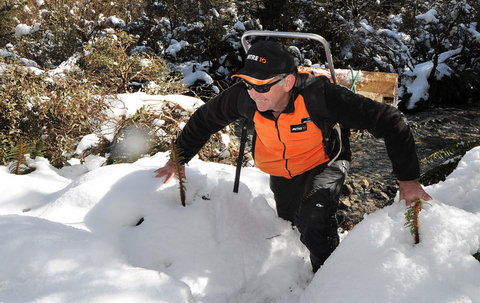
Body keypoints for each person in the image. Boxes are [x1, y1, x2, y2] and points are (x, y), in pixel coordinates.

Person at [155, 40, 431, 272]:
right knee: (291, 224)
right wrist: (177, 159)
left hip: (325, 160)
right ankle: (328, 229)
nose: (254, 93)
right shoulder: (243, 97)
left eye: (262, 86)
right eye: (248, 83)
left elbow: (390, 121)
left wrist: (408, 181)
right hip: (282, 169)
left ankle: (327, 276)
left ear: (287, 81)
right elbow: (205, 119)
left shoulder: (319, 96)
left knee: (314, 217)